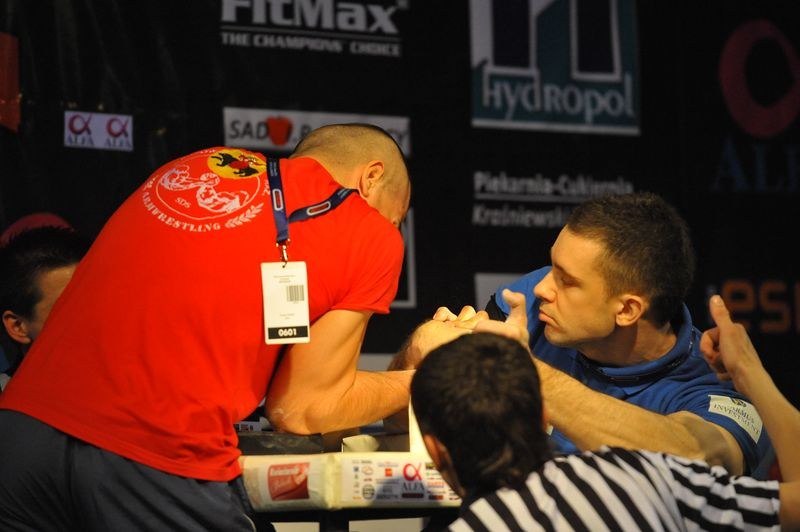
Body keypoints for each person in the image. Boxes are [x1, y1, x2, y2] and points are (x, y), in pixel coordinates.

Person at [0, 123, 413, 530]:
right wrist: (424, 379)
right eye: (395, 218)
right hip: (147, 446)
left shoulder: (197, 166)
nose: (391, 230)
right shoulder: (368, 231)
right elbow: (303, 409)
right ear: (371, 178)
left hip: (22, 434)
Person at [397, 191, 771, 477]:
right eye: (551, 268)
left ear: (627, 310)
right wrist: (424, 348)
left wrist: (525, 372)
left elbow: (695, 455)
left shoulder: (710, 385)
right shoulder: (533, 305)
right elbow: (400, 419)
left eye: (567, 281)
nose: (542, 287)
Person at [411, 292, 797, 530]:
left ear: (435, 450)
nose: (544, 289)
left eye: (567, 281)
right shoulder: (650, 481)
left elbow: (700, 448)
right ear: (545, 416)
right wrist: (752, 374)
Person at [0, 224, 89, 392]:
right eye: (68, 308)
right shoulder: (7, 404)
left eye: (97, 301)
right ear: (17, 326)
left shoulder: (133, 392)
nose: (91, 319)